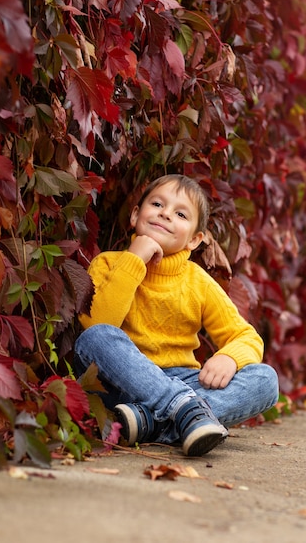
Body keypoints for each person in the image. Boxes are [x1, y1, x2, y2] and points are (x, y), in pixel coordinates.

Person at [75, 174, 279, 457]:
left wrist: (229, 357)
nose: (165, 214)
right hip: (118, 383)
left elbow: (246, 336)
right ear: (135, 215)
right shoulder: (109, 264)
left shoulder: (198, 281)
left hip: (180, 380)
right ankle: (185, 411)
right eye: (157, 204)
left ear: (195, 239)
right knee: (95, 337)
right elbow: (98, 323)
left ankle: (150, 423)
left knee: (265, 379)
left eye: (180, 213)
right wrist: (134, 260)